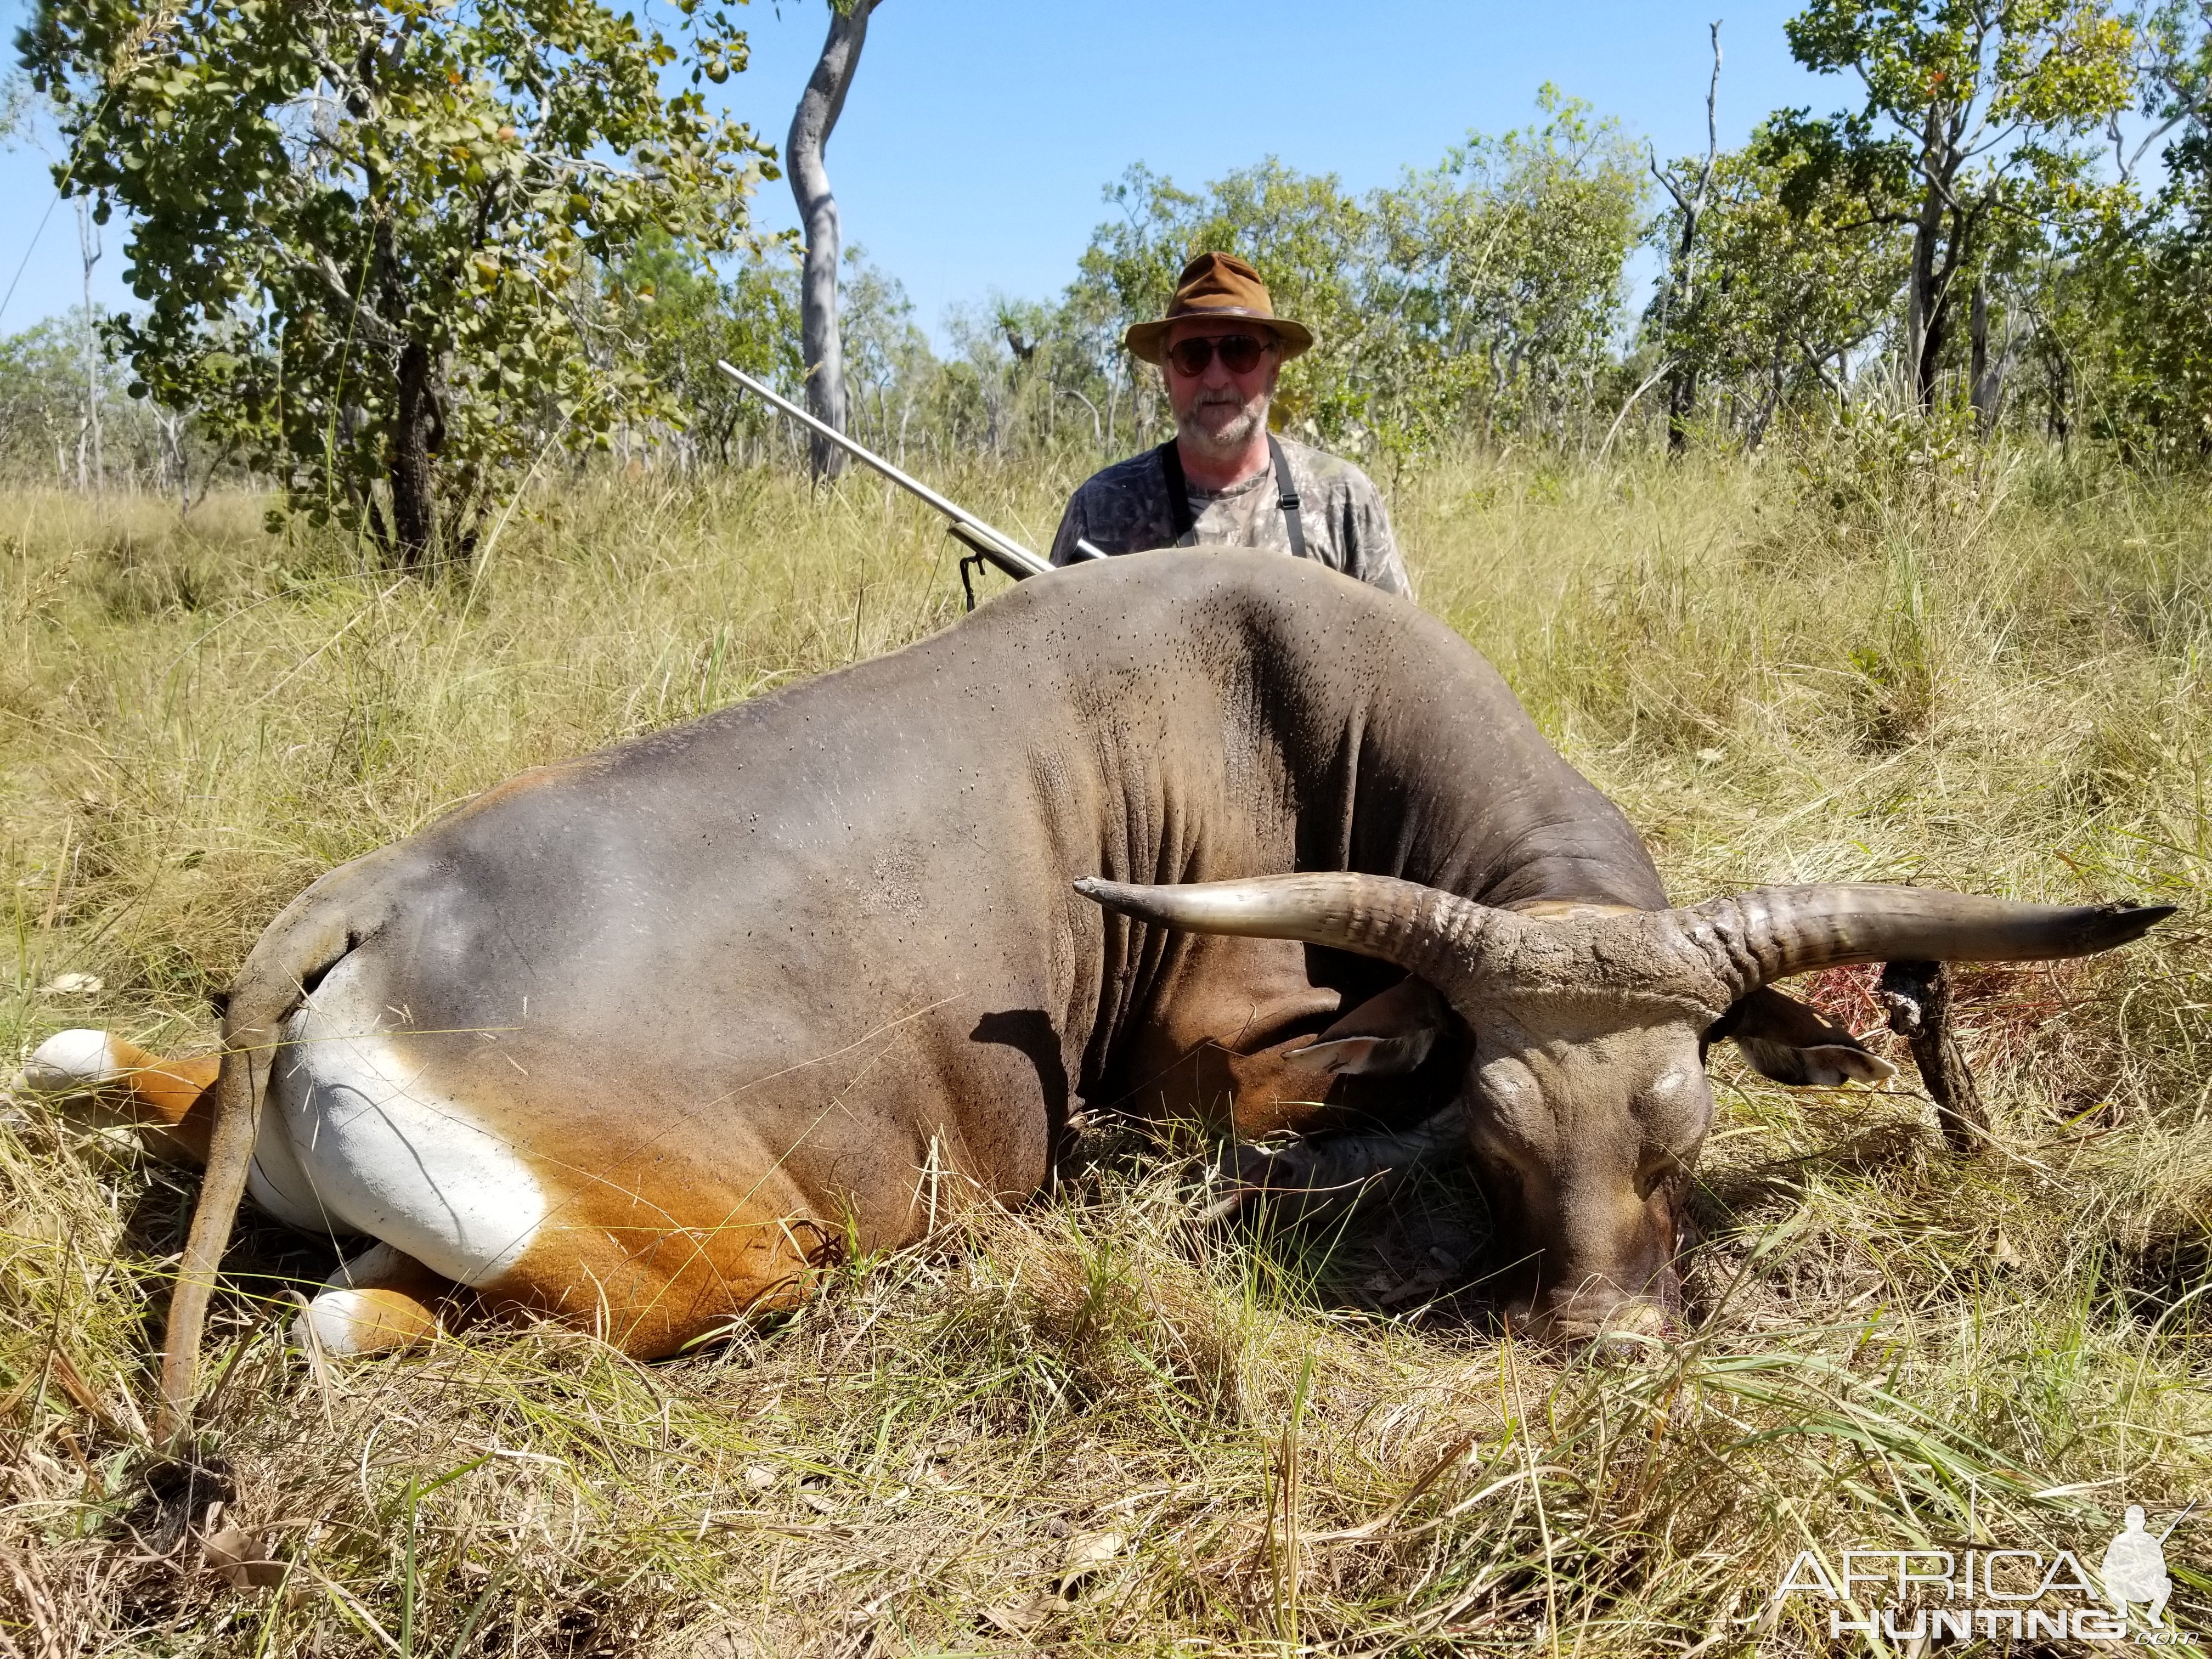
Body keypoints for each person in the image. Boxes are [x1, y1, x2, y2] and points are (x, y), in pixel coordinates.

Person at [1049, 252, 1413, 597]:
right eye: (1193, 355)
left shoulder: (1344, 498)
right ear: (1166, 373)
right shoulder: (1101, 508)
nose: (1217, 378)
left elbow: (1398, 651)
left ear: (1275, 366)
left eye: (1240, 350)